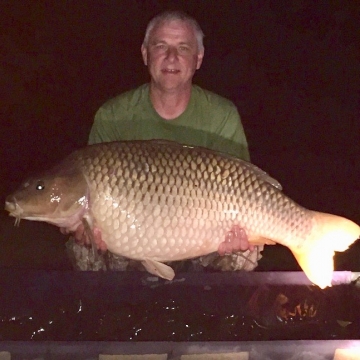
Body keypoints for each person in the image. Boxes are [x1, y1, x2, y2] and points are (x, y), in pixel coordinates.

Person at [67, 10, 263, 272]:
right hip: (131, 239)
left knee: (246, 252)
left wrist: (238, 236)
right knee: (84, 246)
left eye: (183, 47)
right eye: (161, 46)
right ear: (146, 54)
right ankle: (116, 309)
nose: (172, 57)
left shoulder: (222, 115)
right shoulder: (113, 115)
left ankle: (210, 307)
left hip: (203, 238)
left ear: (198, 58)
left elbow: (246, 187)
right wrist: (86, 229)